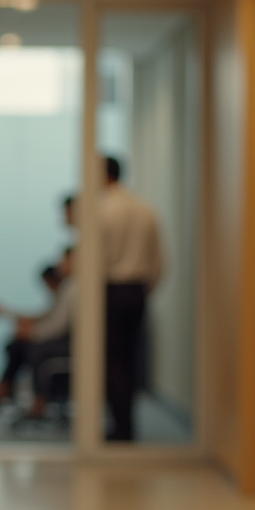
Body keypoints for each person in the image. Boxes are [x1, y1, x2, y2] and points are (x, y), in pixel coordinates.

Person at [99, 156, 163, 441]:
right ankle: (126, 425)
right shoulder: (145, 209)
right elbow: (160, 261)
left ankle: (119, 428)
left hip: (110, 289)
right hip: (136, 291)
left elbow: (98, 260)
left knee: (111, 361)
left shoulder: (102, 210)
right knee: (130, 360)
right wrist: (143, 289)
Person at [0, 249, 74, 415]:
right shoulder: (69, 287)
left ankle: (36, 402)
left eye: (64, 261)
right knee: (17, 343)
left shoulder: (73, 288)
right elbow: (46, 316)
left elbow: (58, 325)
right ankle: (5, 389)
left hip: (67, 342)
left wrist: (33, 333)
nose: (60, 266)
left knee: (31, 347)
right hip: (60, 337)